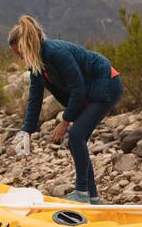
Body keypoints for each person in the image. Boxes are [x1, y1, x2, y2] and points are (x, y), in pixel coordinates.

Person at [8, 15, 123, 204]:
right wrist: (26, 132)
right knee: (78, 140)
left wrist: (65, 122)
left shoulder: (55, 53)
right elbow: (35, 98)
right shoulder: (36, 64)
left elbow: (78, 88)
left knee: (76, 136)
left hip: (106, 85)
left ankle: (82, 194)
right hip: (89, 92)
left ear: (28, 44)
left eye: (19, 52)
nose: (20, 57)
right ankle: (92, 197)